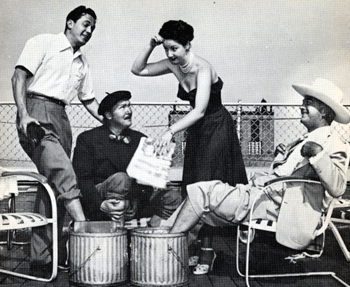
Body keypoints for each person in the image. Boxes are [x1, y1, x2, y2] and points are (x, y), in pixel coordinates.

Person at [167, 78, 350, 274]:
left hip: (276, 205)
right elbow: (288, 173)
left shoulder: (332, 143)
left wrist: (319, 153)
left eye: (309, 102)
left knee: (203, 192)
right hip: (263, 196)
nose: (302, 106)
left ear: (324, 111)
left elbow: (338, 187)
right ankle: (163, 246)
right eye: (304, 101)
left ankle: (165, 256)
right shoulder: (306, 138)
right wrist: (282, 157)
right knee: (197, 194)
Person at [131, 19, 248, 273]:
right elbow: (137, 70)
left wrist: (170, 130)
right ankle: (196, 248)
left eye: (175, 48)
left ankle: (207, 252)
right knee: (192, 185)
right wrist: (151, 45)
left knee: (206, 186)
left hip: (217, 128)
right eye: (167, 49)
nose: (170, 54)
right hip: (197, 132)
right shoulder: (174, 64)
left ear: (188, 45)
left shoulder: (203, 68)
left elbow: (200, 110)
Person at [11, 6, 102, 273]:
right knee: (64, 173)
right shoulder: (43, 42)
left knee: (51, 188)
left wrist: (112, 120)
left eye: (93, 28)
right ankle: (86, 233)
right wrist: (24, 115)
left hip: (61, 117)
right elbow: (19, 76)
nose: (88, 31)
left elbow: (90, 100)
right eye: (85, 24)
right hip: (35, 112)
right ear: (70, 22)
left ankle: (42, 258)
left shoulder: (82, 63)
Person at [72, 91, 182, 227]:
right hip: (101, 200)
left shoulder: (140, 139)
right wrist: (100, 204)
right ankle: (116, 237)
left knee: (173, 198)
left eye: (129, 106)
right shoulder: (88, 139)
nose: (129, 111)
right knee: (121, 179)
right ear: (108, 115)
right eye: (122, 107)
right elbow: (83, 180)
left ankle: (149, 234)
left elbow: (146, 181)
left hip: (133, 199)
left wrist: (159, 167)